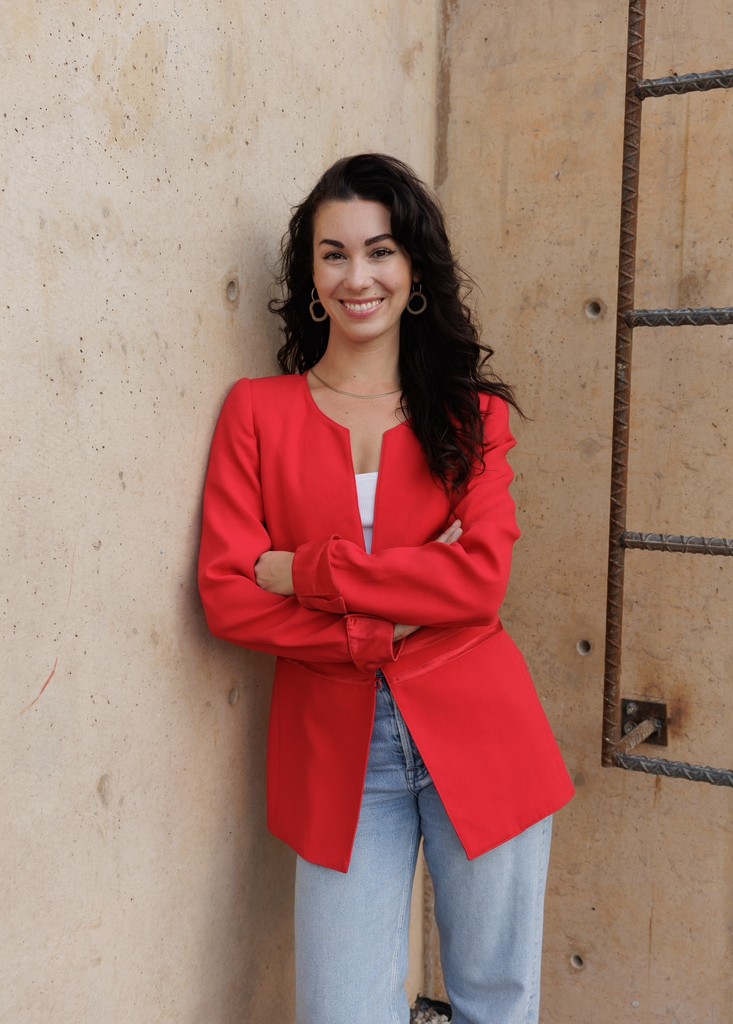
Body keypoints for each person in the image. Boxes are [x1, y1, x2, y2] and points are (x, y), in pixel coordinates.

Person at [198, 153, 574, 1024]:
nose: (356, 276)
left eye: (379, 251)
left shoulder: (469, 416)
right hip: (337, 753)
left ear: (412, 273)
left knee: (495, 1000)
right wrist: (385, 623)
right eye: (333, 254)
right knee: (341, 1010)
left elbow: (479, 582)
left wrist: (309, 571)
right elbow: (227, 594)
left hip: (483, 734)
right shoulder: (255, 412)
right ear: (310, 277)